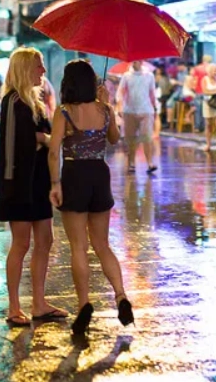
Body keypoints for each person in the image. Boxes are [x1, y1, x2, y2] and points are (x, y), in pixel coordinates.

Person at [48, 59, 133, 335]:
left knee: (78, 247)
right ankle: (120, 295)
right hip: (99, 174)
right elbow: (114, 139)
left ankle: (84, 303)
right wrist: (107, 106)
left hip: (74, 174)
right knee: (102, 244)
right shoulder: (104, 109)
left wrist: (55, 183)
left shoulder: (64, 112)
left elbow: (53, 151)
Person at [0, 48, 67, 327]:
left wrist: (45, 137)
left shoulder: (36, 102)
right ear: (26, 68)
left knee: (45, 240)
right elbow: (15, 144)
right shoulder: (13, 101)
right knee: (21, 243)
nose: (43, 71)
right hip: (18, 182)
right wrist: (42, 138)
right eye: (39, 66)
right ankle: (14, 306)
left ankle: (39, 303)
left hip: (38, 181)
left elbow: (45, 135)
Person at [116, 61, 157, 174]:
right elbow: (120, 92)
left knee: (147, 137)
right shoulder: (126, 76)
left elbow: (152, 93)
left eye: (138, 60)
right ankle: (131, 163)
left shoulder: (149, 75)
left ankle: (149, 163)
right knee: (131, 139)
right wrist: (120, 106)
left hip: (146, 110)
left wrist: (155, 108)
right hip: (130, 111)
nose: (136, 62)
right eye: (134, 60)